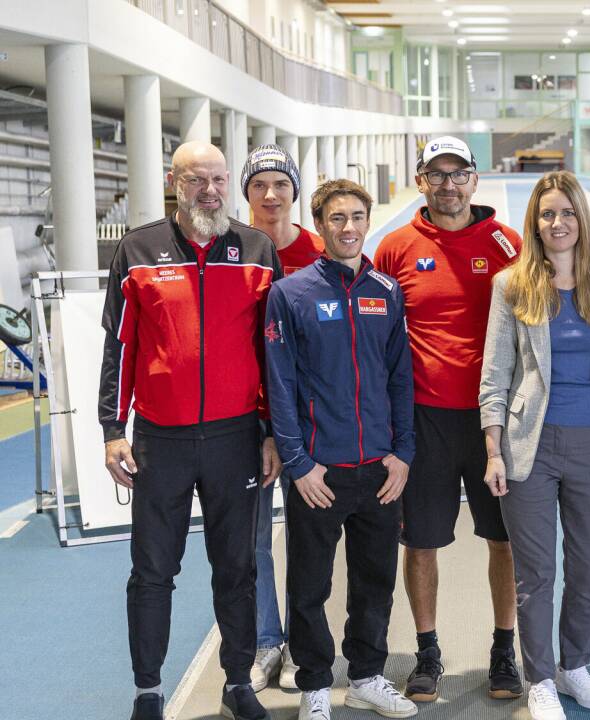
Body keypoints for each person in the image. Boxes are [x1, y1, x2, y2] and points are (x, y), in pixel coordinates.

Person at [99, 141, 282, 720]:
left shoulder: (257, 251)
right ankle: (148, 690)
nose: (210, 190)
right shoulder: (137, 250)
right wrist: (112, 427)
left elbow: (272, 353)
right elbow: (119, 347)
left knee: (237, 568)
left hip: (237, 441)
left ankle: (237, 682)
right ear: (174, 182)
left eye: (219, 179)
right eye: (197, 179)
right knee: (152, 571)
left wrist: (274, 432)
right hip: (162, 441)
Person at [373, 136, 523, 702]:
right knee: (423, 543)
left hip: (494, 422)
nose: (448, 184)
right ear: (420, 182)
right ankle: (427, 652)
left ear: (475, 180)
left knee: (503, 539)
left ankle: (504, 651)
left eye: (458, 173)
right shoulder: (395, 248)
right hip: (424, 420)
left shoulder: (508, 244)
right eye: (436, 175)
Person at [265, 179, 418, 720]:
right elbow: (278, 384)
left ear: (367, 220)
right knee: (309, 583)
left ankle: (367, 676)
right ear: (321, 224)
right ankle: (313, 684)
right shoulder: (291, 294)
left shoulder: (386, 290)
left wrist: (403, 451)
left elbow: (401, 378)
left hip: (379, 468)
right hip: (319, 472)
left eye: (357, 217)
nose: (348, 227)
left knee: (374, 581)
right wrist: (299, 463)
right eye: (337, 219)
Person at [478, 171, 590, 720]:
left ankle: (573, 666)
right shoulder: (511, 285)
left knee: (586, 568)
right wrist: (494, 450)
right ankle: (538, 677)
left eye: (566, 212)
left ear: (580, 218)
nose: (557, 223)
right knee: (536, 574)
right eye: (546, 214)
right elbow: (495, 376)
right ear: (534, 224)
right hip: (526, 447)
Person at [242, 143, 323, 692]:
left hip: (308, 422)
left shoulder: (320, 252)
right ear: (246, 193)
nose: (271, 195)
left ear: (295, 191)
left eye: (281, 184)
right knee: (250, 540)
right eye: (259, 185)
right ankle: (266, 640)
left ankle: (301, 644)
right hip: (245, 419)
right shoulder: (234, 251)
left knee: (306, 538)